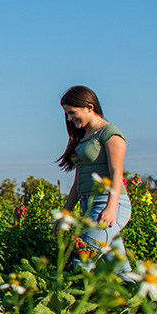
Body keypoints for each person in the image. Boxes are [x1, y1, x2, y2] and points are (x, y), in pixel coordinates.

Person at [58, 85, 130, 265]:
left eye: (73, 112)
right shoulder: (84, 137)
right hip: (89, 205)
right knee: (118, 268)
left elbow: (116, 174)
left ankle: (74, 293)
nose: (70, 118)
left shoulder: (109, 134)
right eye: (67, 114)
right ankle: (140, 292)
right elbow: (77, 182)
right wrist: (64, 214)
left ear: (90, 107)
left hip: (108, 204)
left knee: (81, 260)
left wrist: (111, 208)